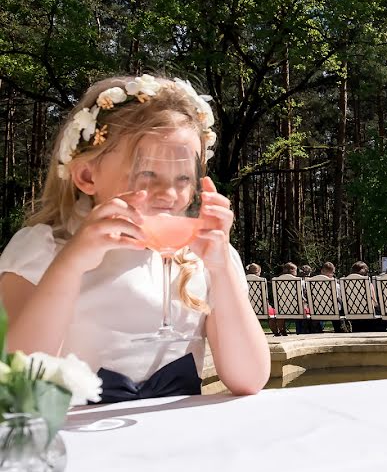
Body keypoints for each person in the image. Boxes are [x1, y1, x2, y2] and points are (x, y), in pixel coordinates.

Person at [0, 75, 270, 403]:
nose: (169, 194)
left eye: (184, 178)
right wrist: (70, 266)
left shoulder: (202, 259)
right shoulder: (44, 249)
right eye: (147, 174)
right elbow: (16, 381)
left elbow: (250, 378)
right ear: (87, 176)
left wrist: (221, 269)